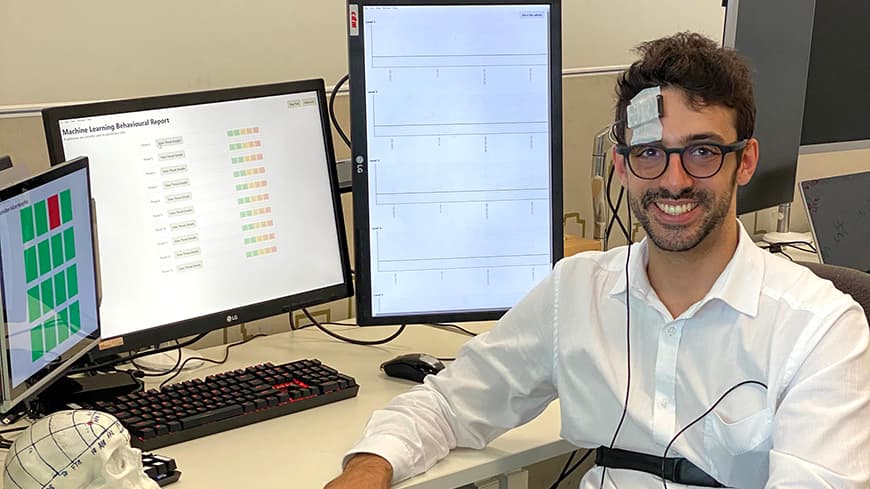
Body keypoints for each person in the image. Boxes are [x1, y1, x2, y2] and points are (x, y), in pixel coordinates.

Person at [324, 32, 870, 489]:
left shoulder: (819, 329)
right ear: (621, 164)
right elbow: (447, 406)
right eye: (649, 153)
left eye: (702, 152)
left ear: (743, 161)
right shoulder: (576, 293)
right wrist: (369, 469)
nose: (673, 180)